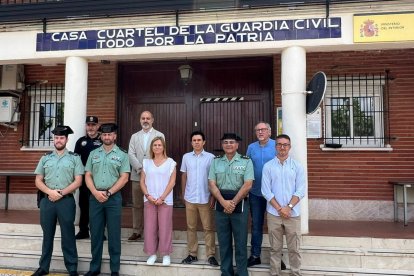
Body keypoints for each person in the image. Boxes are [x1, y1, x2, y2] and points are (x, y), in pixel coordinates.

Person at [32, 125, 84, 276]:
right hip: (47, 201)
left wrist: (60, 193)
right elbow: (38, 180)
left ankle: (72, 268)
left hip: (66, 201)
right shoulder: (45, 158)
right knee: (47, 235)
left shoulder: (75, 158)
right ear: (53, 139)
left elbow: (78, 181)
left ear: (66, 140)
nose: (59, 140)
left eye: (62, 138)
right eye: (56, 138)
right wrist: (50, 192)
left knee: (68, 235)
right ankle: (43, 267)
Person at [84, 123, 130, 276]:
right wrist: (95, 192)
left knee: (114, 234)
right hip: (95, 198)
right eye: (104, 135)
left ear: (114, 136)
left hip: (113, 199)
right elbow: (88, 175)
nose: (107, 137)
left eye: (110, 134)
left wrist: (109, 193)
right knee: (95, 233)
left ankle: (114, 269)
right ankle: (94, 267)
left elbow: (124, 178)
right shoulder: (93, 154)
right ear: (101, 136)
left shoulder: (122, 154)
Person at [208, 133, 254, 276]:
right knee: (223, 241)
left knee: (240, 241)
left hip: (239, 204)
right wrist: (222, 202)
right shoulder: (216, 161)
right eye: (226, 142)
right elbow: (211, 183)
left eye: (232, 142)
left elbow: (248, 185)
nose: (228, 144)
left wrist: (232, 203)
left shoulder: (246, 161)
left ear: (237, 145)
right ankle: (226, 272)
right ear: (222, 145)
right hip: (221, 203)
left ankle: (242, 272)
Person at [261, 134, 306, 276]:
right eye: (279, 144)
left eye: (285, 144)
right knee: (275, 248)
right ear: (275, 147)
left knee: (294, 248)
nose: (282, 147)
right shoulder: (268, 166)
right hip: (274, 214)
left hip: (293, 214)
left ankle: (295, 273)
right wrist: (280, 208)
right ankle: (275, 273)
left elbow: (300, 190)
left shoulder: (297, 166)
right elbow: (266, 191)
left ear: (290, 147)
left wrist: (289, 208)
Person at [246, 122, 286, 269]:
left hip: (274, 195)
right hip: (256, 193)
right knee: (256, 224)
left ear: (269, 132)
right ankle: (255, 255)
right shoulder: (251, 147)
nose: (260, 132)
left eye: (263, 129)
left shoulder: (277, 146)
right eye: (258, 130)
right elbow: (247, 167)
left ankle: (277, 257)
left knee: (275, 226)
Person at [180, 131, 218, 266]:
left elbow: (213, 178)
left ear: (204, 142)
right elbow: (184, 175)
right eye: (194, 140)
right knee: (191, 227)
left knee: (208, 228)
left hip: (205, 197)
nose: (196, 142)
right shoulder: (186, 157)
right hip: (190, 197)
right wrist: (183, 193)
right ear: (191, 142)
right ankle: (192, 254)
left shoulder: (211, 158)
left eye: (199, 140)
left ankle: (211, 255)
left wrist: (213, 196)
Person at [128, 110, 165, 241]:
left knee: (154, 205)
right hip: (137, 176)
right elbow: (130, 154)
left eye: (148, 118)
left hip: (154, 177)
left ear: (152, 120)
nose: (145, 120)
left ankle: (154, 231)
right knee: (137, 205)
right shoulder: (134, 136)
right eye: (143, 118)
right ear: (140, 120)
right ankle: (137, 231)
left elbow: (160, 153)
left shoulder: (159, 135)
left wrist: (151, 170)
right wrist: (140, 169)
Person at [140, 136, 176, 266]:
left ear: (163, 147)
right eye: (155, 145)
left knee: (165, 227)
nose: (157, 147)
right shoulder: (146, 162)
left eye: (159, 145)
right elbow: (142, 182)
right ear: (152, 148)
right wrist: (148, 195)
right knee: (150, 228)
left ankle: (165, 254)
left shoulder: (171, 162)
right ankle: (152, 254)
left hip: (165, 201)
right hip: (149, 199)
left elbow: (172, 182)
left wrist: (162, 197)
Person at [74, 116, 102, 239]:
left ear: (97, 126)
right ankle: (83, 230)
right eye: (88, 125)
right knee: (84, 205)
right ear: (86, 126)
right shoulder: (80, 142)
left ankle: (98, 231)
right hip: (85, 178)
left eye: (93, 125)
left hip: (99, 178)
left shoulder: (102, 141)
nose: (90, 127)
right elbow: (76, 160)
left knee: (99, 205)